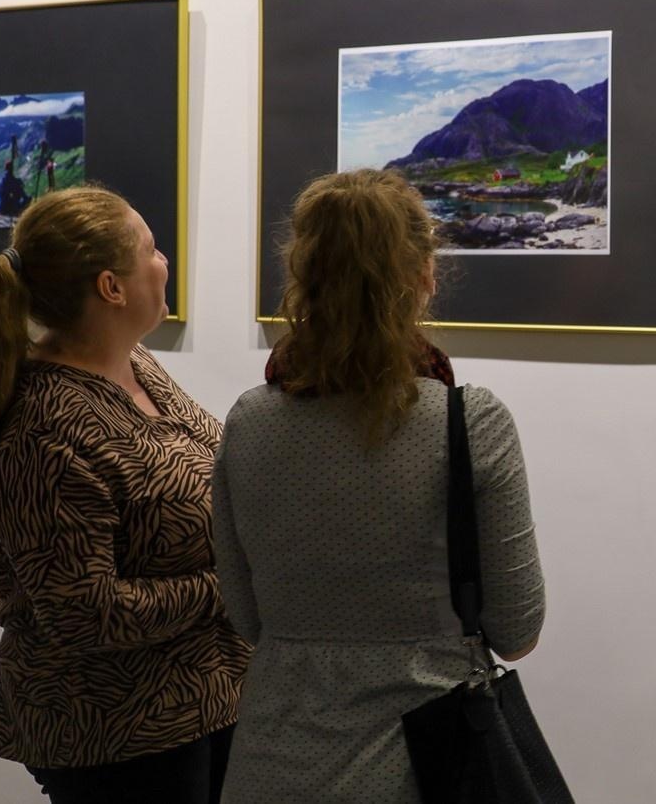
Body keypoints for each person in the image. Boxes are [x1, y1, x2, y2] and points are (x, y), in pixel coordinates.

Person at [0, 186, 249, 804]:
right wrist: (236, 587)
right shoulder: (48, 429)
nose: (163, 262)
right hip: (118, 732)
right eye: (151, 248)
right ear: (111, 287)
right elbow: (86, 613)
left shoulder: (138, 365)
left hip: (206, 705)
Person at [213, 169, 546, 803]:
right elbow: (517, 629)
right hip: (429, 768)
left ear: (302, 276)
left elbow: (248, 619)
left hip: (271, 769)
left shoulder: (249, 422)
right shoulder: (468, 422)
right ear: (424, 275)